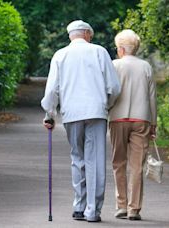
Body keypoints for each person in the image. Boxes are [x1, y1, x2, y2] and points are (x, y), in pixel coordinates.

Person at [41, 20, 121, 222]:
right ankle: (92, 211)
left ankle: (79, 206)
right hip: (96, 112)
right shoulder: (100, 52)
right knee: (94, 160)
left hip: (72, 113)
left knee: (77, 158)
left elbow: (52, 90)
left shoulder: (60, 55)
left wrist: (49, 114)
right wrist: (107, 105)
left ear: (71, 36)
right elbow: (114, 87)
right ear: (86, 33)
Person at [109, 29, 157, 221]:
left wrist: (107, 109)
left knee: (118, 163)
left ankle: (121, 205)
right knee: (137, 166)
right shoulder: (146, 66)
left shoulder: (114, 65)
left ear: (121, 49)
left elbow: (110, 92)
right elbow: (152, 97)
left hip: (118, 119)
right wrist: (153, 123)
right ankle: (134, 209)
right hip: (141, 119)